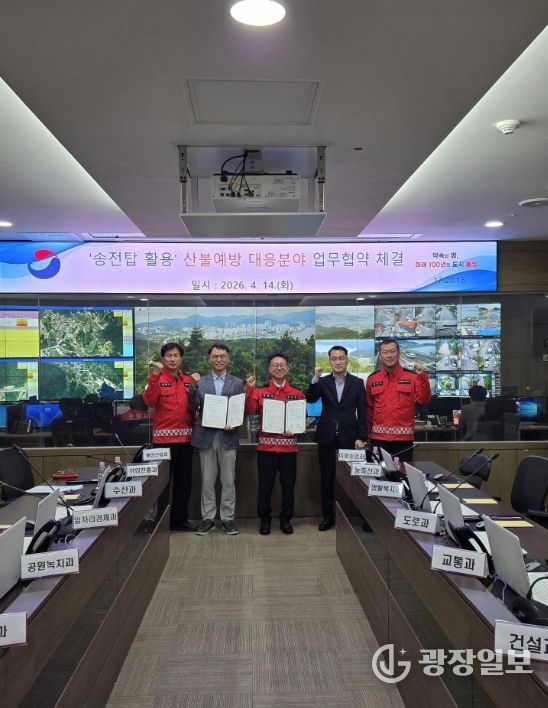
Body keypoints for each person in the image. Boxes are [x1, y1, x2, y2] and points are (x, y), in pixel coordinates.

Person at [306, 345, 367, 531]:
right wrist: (315, 378)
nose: (338, 362)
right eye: (334, 358)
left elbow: (362, 412)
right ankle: (328, 517)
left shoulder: (357, 383)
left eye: (341, 358)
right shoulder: (322, 382)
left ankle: (354, 516)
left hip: (350, 437)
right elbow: (311, 398)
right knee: (327, 478)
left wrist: (362, 436)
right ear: (329, 361)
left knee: (353, 479)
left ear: (347, 360)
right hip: (327, 436)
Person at [245, 353, 305, 536]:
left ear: (287, 368)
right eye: (275, 365)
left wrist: (296, 428)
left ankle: (286, 519)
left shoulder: (297, 393)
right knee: (265, 486)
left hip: (288, 448)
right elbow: (250, 411)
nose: (279, 368)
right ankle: (265, 520)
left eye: (282, 364)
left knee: (288, 486)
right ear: (269, 369)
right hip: (266, 449)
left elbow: (301, 419)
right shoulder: (260, 392)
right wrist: (249, 389)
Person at [189, 343, 244, 536]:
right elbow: (192, 406)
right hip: (206, 436)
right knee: (207, 480)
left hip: (228, 436)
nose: (219, 359)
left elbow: (239, 409)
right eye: (215, 356)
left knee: (228, 480)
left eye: (222, 356)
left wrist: (234, 423)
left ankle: (228, 518)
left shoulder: (237, 382)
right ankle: (208, 518)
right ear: (209, 359)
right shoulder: (201, 382)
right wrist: (193, 388)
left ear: (228, 359)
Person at [142, 342, 197, 532]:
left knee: (184, 484)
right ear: (163, 358)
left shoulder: (188, 380)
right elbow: (149, 401)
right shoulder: (156, 378)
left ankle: (179, 520)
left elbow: (195, 406)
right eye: (169, 356)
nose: (172, 359)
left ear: (181, 359)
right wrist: (154, 375)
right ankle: (151, 521)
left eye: (176, 356)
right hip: (162, 443)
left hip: (186, 442)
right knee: (158, 484)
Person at [366, 338, 431, 461]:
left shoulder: (412, 377)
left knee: (402, 472)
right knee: (379, 473)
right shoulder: (372, 379)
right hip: (378, 439)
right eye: (385, 352)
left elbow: (424, 400)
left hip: (403, 440)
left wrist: (422, 377)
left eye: (392, 351)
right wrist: (368, 436)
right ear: (380, 356)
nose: (389, 355)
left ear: (399, 353)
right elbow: (369, 409)